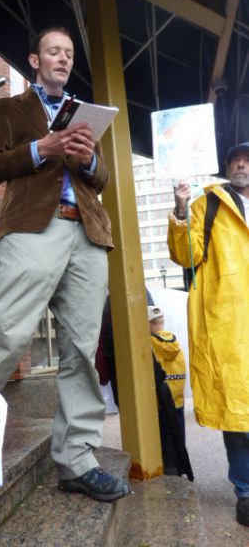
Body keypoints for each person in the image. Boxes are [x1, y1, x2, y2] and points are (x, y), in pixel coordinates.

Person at [0, 26, 130, 503]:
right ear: (34, 61)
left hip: (88, 233)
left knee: (81, 349)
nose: (63, 59)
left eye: (69, 53)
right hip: (34, 228)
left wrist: (85, 158)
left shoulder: (86, 115)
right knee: (4, 332)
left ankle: (77, 459)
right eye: (54, 52)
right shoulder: (10, 109)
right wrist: (44, 148)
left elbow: (101, 180)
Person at [168, 142, 249, 526]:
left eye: (248, 160)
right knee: (237, 413)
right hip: (227, 321)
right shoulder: (208, 203)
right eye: (235, 160)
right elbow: (185, 255)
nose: (241, 165)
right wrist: (181, 208)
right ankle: (246, 490)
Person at [148, 305, 192, 479]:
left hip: (162, 402)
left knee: (165, 435)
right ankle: (180, 466)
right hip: (177, 399)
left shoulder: (150, 345)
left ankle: (170, 468)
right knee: (179, 433)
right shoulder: (175, 342)